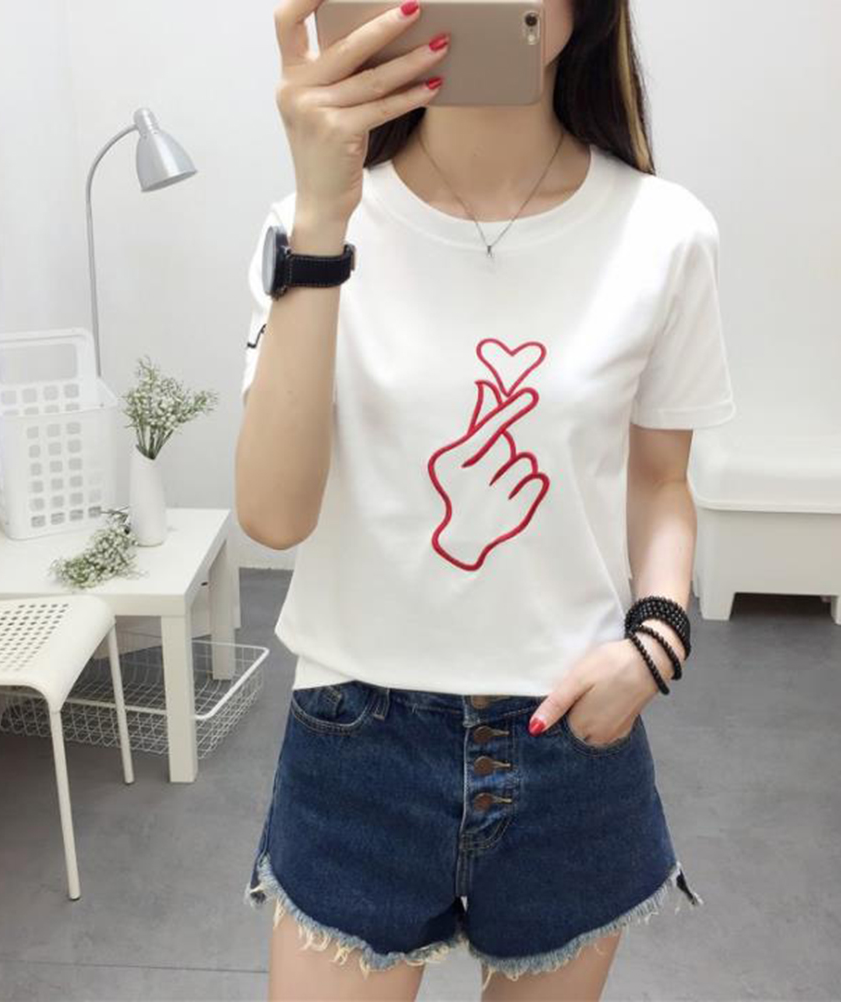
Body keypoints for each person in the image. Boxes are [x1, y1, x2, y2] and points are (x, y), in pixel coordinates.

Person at [236, 0, 735, 998]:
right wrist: (323, 216)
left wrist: (656, 645)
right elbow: (274, 516)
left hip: (573, 733)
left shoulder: (664, 232)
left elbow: (661, 481)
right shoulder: (310, 225)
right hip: (357, 736)